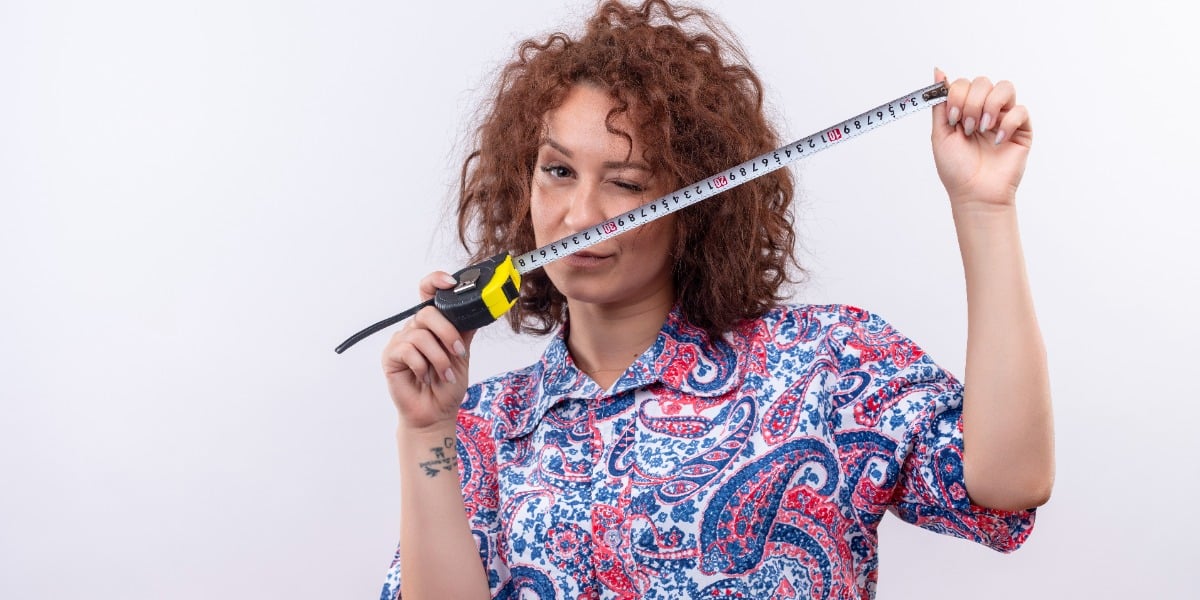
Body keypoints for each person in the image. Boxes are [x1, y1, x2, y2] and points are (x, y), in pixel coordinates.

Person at [378, 1, 1053, 598]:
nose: (580, 214)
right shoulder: (484, 426)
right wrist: (426, 431)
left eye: (627, 181)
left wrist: (984, 206)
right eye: (557, 171)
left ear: (694, 205)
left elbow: (1009, 483)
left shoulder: (825, 364)